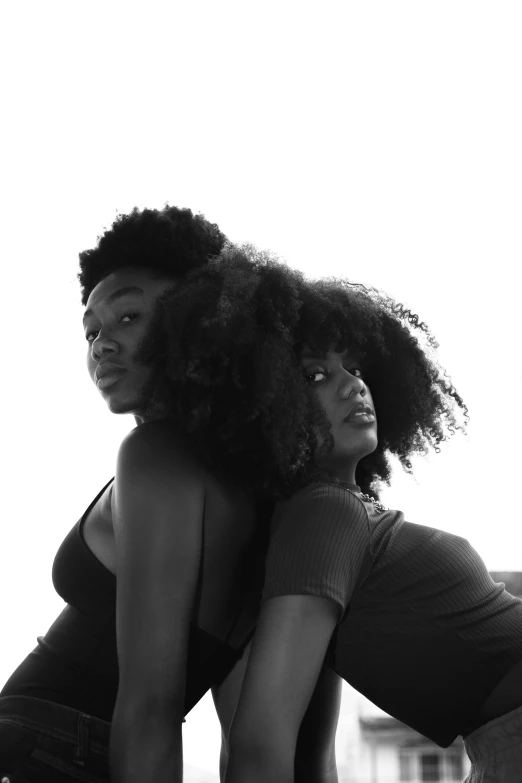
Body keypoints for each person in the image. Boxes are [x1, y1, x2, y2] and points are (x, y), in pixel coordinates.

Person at [0, 208, 341, 783]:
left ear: (204, 321)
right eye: (92, 331)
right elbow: (280, 747)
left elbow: (150, 706)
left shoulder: (154, 457)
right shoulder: (290, 498)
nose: (101, 345)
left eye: (128, 316)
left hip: (36, 749)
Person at [161, 247, 522, 782]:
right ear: (262, 404)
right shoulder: (322, 513)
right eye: (314, 376)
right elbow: (260, 741)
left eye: (353, 367)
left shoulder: (336, 515)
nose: (354, 384)